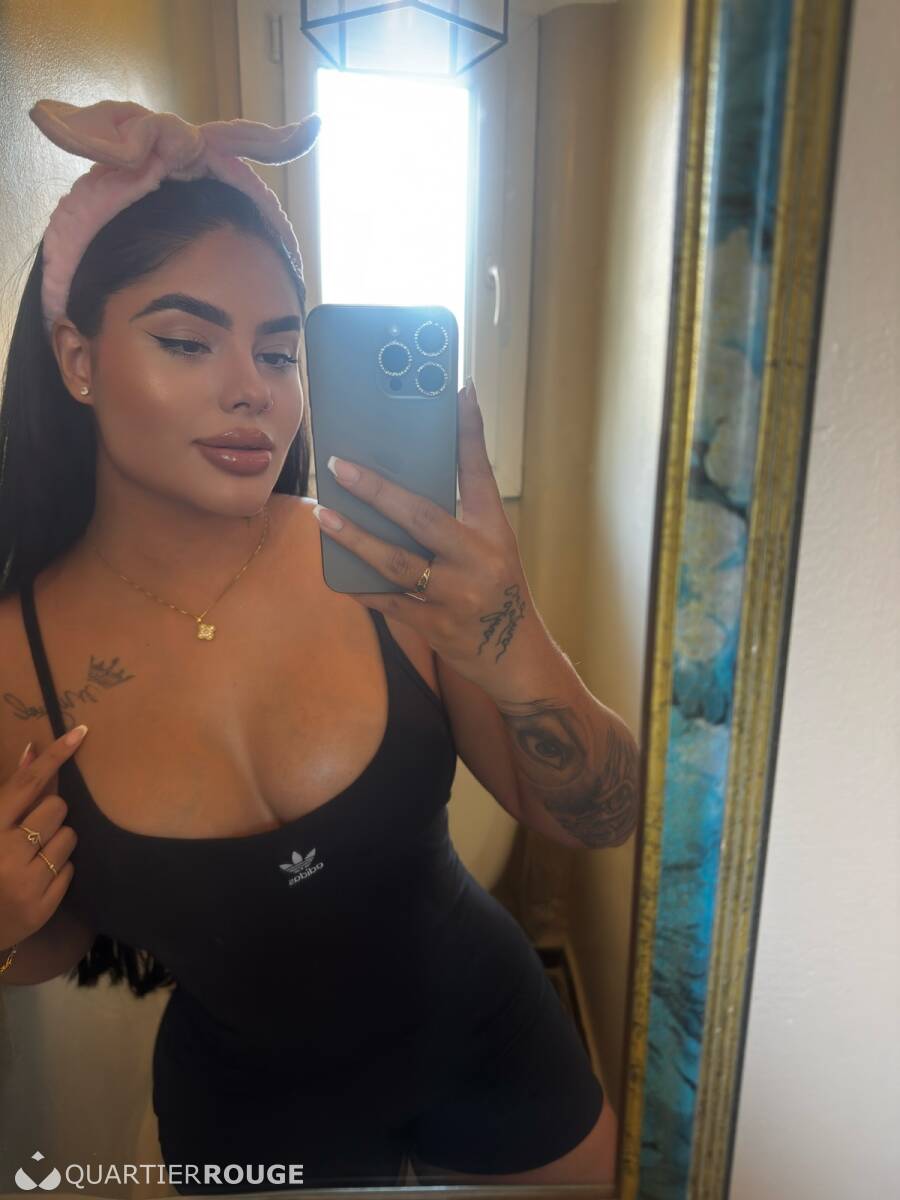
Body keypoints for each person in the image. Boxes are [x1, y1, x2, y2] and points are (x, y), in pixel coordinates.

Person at [0, 99, 632, 1191]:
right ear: (78, 358)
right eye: (187, 340)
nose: (253, 388)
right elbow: (59, 934)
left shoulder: (383, 563)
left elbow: (603, 816)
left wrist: (511, 631)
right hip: (252, 1118)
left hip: (496, 1050)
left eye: (281, 351)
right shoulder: (20, 660)